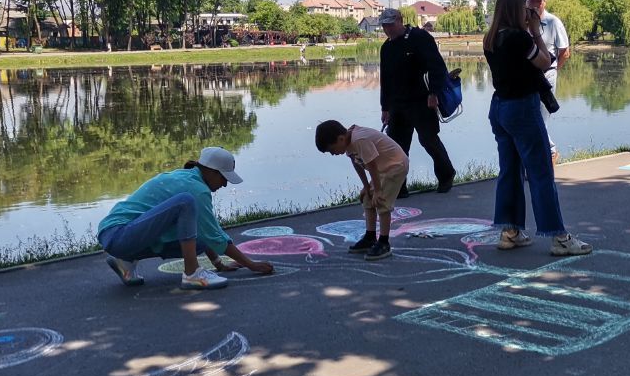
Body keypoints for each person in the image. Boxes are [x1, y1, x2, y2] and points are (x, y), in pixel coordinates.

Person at [483, 0, 592, 256]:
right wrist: (536, 31)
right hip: (522, 107)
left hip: (499, 107)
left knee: (509, 170)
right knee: (541, 171)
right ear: (516, 10)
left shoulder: (491, 38)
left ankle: (510, 231)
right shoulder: (519, 37)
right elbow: (545, 62)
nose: (527, 13)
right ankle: (559, 237)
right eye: (524, 9)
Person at [97, 146, 275, 290]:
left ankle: (125, 261)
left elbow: (207, 231)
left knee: (198, 242)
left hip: (120, 235)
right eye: (223, 177)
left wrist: (218, 263)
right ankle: (192, 274)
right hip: (118, 234)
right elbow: (214, 235)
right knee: (185, 201)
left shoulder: (189, 178)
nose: (225, 184)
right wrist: (252, 265)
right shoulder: (196, 188)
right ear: (211, 172)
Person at [379, 8, 456, 194]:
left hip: (422, 101)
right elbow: (385, 79)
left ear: (400, 20)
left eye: (390, 24)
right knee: (396, 148)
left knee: (429, 140)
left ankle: (446, 175)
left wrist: (434, 93)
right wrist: (385, 107)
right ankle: (399, 187)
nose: (387, 29)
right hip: (397, 104)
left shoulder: (420, 37)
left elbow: (437, 67)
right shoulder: (387, 47)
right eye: (384, 26)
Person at [315, 119, 409, 260]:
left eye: (332, 150)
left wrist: (377, 191)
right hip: (381, 168)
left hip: (394, 166)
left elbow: (370, 164)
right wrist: (366, 187)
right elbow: (357, 163)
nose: (333, 154)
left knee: (381, 202)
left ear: (340, 139)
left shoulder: (360, 140)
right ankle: (370, 237)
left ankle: (384, 242)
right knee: (367, 198)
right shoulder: (348, 142)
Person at [524, 0, 570, 163]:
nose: (536, 4)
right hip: (528, 75)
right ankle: (544, 153)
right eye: (532, 1)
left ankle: (549, 152)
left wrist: (553, 69)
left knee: (541, 116)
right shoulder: (523, 23)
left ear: (545, 2)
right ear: (526, 3)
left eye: (539, 0)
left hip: (547, 74)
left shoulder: (553, 22)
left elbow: (565, 51)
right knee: (529, 115)